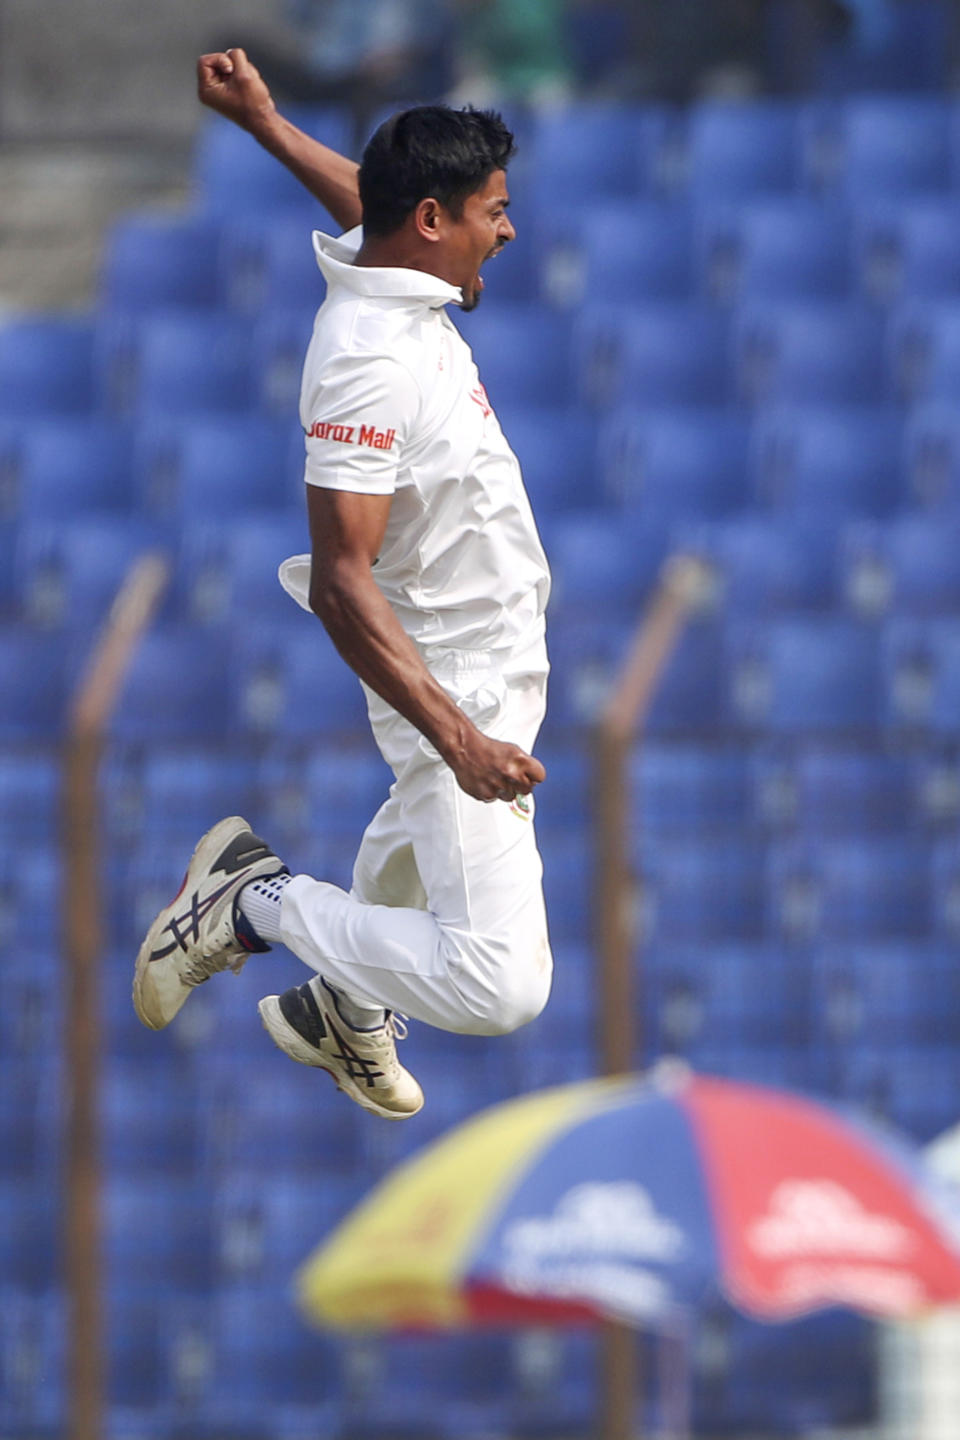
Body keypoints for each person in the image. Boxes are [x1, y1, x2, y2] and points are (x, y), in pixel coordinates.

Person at [133, 48, 553, 1122]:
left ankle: (340, 1012)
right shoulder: (367, 358)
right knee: (503, 985)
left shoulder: (403, 273)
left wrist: (269, 127)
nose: (505, 230)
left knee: (406, 867)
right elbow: (339, 581)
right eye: (493, 212)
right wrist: (458, 740)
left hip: (495, 656)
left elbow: (370, 211)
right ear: (432, 220)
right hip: (453, 680)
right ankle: (251, 900)